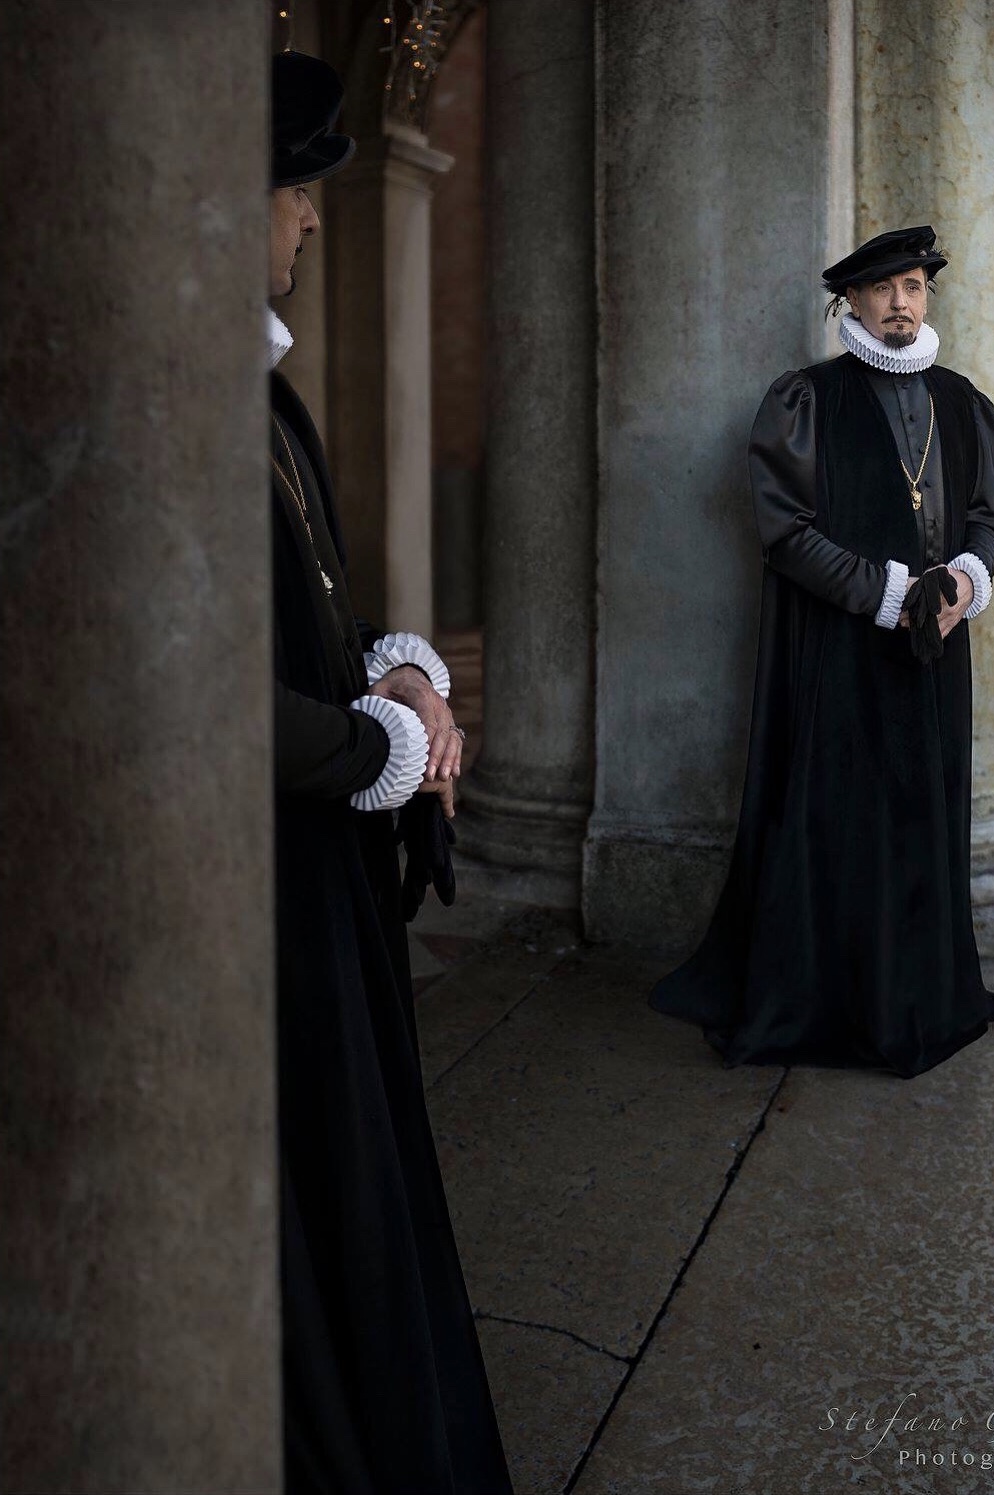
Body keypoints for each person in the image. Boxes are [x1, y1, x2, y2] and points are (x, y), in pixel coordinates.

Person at [267, 52, 512, 1495]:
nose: (306, 221)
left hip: (313, 872)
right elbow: (196, 691)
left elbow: (305, 605)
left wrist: (392, 665)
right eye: (293, 189)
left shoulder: (270, 398)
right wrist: (387, 745)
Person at [650, 226, 994, 1080]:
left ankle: (920, 993)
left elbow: (983, 514)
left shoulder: (963, 402)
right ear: (849, 301)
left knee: (926, 816)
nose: (900, 303)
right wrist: (884, 594)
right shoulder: (804, 399)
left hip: (937, 649)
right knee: (842, 822)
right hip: (840, 652)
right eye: (883, 288)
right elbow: (784, 534)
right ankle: (838, 1002)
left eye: (914, 287)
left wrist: (965, 579)